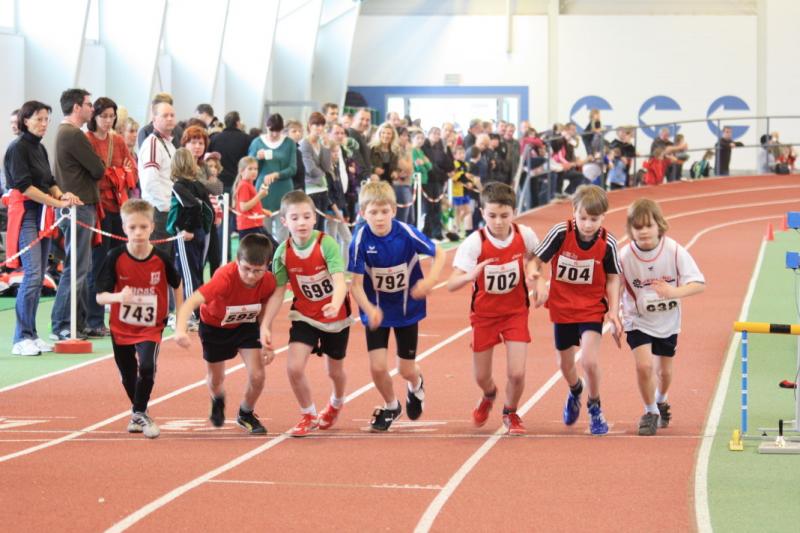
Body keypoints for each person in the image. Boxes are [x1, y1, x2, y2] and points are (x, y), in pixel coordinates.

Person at [447, 183, 544, 434]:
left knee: (517, 373)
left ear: (514, 212)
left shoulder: (525, 234)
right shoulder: (474, 243)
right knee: (481, 377)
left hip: (515, 312)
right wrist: (470, 276)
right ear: (482, 213)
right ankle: (489, 394)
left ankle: (510, 412)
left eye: (504, 215)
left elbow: (537, 257)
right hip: (484, 315)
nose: (498, 222)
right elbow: (451, 284)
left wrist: (537, 278)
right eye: (492, 215)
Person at [348, 181, 445, 431]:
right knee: (377, 367)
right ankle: (391, 406)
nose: (379, 218)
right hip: (377, 311)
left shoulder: (406, 233)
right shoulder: (359, 240)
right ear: (363, 213)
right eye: (373, 212)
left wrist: (431, 281)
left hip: (406, 310)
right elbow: (355, 285)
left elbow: (439, 253)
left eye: (384, 211)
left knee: (405, 369)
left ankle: (416, 385)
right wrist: (369, 309)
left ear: (394, 210)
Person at [531, 184, 623, 435]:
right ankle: (575, 390)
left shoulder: (608, 243)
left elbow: (613, 278)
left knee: (590, 361)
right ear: (574, 212)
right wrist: (539, 282)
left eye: (594, 219)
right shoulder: (561, 233)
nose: (588, 225)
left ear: (603, 217)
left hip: (591, 308)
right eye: (583, 218)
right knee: (565, 365)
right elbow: (535, 261)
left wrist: (613, 311)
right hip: (562, 307)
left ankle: (595, 407)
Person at [261, 191, 352, 437]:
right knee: (294, 367)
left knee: (334, 371)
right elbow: (278, 293)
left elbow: (340, 281)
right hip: (304, 315)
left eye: (306, 217)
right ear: (284, 221)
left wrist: (335, 303)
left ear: (315, 218)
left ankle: (336, 403)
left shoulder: (326, 244)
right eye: (295, 218)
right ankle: (308, 414)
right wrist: (265, 325)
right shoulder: (282, 253)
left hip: (335, 317)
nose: (301, 222)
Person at [96, 199, 182, 439]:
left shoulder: (161, 258)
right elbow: (100, 297)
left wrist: (179, 318)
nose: (138, 233)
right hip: (121, 327)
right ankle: (139, 414)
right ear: (124, 228)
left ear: (152, 227)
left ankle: (139, 412)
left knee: (147, 367)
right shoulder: (115, 257)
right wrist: (119, 297)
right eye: (132, 227)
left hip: (151, 326)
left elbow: (177, 284)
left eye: (143, 227)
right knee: (128, 375)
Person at [174, 233, 276, 434]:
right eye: (246, 269)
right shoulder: (224, 278)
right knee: (216, 379)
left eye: (258, 271)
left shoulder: (269, 282)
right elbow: (191, 302)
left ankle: (246, 413)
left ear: (268, 266)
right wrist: (180, 330)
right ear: (237, 260)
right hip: (215, 327)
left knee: (258, 375)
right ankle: (217, 399)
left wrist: (266, 339)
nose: (250, 276)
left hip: (245, 324)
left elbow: (265, 308)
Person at [619, 199, 705, 435]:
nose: (644, 232)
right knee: (644, 366)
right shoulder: (624, 256)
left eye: (648, 226)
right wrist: (613, 315)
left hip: (668, 320)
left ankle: (661, 399)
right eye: (637, 227)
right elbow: (615, 285)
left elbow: (699, 284)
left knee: (664, 373)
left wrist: (673, 292)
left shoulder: (674, 251)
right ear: (630, 230)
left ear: (659, 225)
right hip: (637, 318)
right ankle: (650, 412)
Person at [4, 101, 81, 356]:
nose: (44, 124)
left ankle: (32, 334)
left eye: (47, 119)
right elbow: (25, 186)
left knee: (38, 277)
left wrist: (63, 195)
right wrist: (56, 202)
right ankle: (21, 338)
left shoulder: (40, 148)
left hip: (43, 214)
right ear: (25, 120)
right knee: (33, 274)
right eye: (39, 119)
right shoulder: (17, 148)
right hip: (26, 214)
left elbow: (49, 180)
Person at [50, 88, 106, 341]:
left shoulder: (66, 133)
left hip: (78, 206)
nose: (92, 109)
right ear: (76, 107)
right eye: (88, 104)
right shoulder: (73, 134)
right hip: (78, 207)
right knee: (77, 268)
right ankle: (62, 324)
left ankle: (76, 323)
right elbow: (98, 169)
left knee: (82, 266)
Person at [85, 96, 138, 337]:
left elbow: (131, 171)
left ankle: (119, 316)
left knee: (120, 262)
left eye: (111, 116)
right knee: (98, 265)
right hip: (98, 208)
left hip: (120, 207)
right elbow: (95, 174)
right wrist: (116, 174)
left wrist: (118, 174)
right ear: (94, 116)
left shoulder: (117, 140)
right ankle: (93, 320)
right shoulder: (86, 140)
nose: (108, 120)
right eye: (104, 116)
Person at [167, 148, 214, 326]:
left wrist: (187, 229)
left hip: (188, 235)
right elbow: (206, 209)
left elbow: (193, 206)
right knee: (196, 273)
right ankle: (200, 312)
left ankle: (192, 314)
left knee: (187, 276)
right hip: (200, 232)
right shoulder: (198, 184)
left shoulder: (179, 186)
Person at [248, 113, 297, 242]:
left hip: (284, 192)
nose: (275, 134)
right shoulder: (257, 143)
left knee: (283, 234)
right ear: (266, 127)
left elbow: (293, 168)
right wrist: (257, 158)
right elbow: (249, 168)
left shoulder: (289, 143)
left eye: (278, 131)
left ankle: (282, 255)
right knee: (264, 234)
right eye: (272, 130)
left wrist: (277, 174)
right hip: (264, 192)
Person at [138, 101, 178, 256]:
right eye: (165, 115)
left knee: (168, 259)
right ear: (154, 119)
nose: (170, 118)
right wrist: (166, 206)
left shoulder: (169, 144)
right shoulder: (153, 144)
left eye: (172, 115)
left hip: (167, 210)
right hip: (159, 210)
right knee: (158, 258)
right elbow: (150, 181)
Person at [209, 111, 251, 196]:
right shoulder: (247, 139)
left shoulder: (214, 139)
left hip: (218, 181)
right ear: (237, 122)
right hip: (238, 181)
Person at [232, 156, 271, 239]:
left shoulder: (248, 184)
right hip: (249, 227)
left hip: (254, 225)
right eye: (250, 169)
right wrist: (259, 196)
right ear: (241, 171)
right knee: (272, 245)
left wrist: (262, 211)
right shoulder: (244, 185)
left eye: (255, 169)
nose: (254, 171)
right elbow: (243, 207)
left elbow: (251, 207)